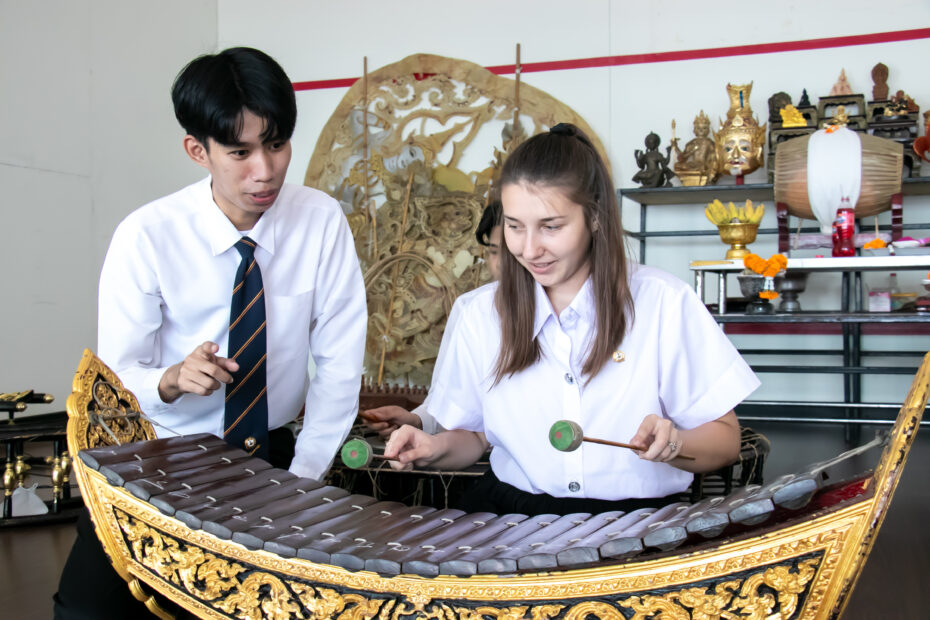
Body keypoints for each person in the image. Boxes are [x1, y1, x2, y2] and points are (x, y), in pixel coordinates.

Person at [54, 47, 367, 618]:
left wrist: (301, 481)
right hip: (163, 455)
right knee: (86, 610)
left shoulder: (319, 220)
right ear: (198, 150)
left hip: (277, 455)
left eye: (277, 145)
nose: (265, 170)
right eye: (240, 152)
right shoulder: (146, 236)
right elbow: (118, 375)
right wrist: (171, 379)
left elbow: (340, 363)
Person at [384, 123, 759, 517]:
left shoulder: (664, 302)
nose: (529, 250)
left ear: (594, 217)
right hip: (511, 518)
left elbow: (725, 440)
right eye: (514, 227)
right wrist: (434, 448)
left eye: (551, 227)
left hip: (639, 522)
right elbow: (475, 436)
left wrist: (676, 444)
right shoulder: (478, 314)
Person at [363, 200, 502, 437]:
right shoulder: (473, 309)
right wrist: (416, 421)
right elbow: (448, 402)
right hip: (479, 458)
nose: (502, 263)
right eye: (494, 252)